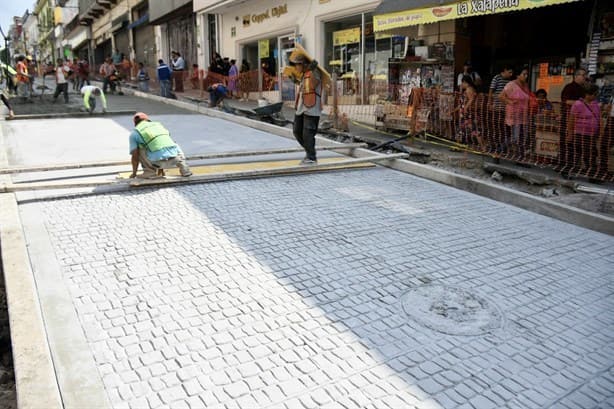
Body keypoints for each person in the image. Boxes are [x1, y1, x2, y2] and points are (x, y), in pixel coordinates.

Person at [129, 112, 192, 179]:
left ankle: (150, 173)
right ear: (148, 120)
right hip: (175, 159)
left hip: (156, 162)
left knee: (138, 149)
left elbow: (135, 157)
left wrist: (134, 174)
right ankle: (185, 169)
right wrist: (161, 169)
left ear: (135, 124)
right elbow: (162, 146)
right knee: (172, 143)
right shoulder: (158, 125)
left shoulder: (135, 133)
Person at [289, 49, 322, 165]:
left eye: (298, 64)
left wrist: (312, 71)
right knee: (297, 131)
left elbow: (314, 84)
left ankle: (311, 157)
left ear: (303, 65)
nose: (296, 67)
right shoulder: (304, 75)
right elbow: (305, 86)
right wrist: (296, 82)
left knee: (308, 134)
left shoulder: (314, 72)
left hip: (311, 109)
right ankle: (310, 151)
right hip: (302, 108)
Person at [567, 84, 601, 180]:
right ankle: (568, 171)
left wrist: (598, 131)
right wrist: (570, 134)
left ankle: (593, 175)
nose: (595, 96)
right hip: (579, 133)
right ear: (587, 94)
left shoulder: (596, 105)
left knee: (591, 154)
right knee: (576, 154)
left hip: (591, 135)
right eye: (594, 94)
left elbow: (598, 118)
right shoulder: (577, 104)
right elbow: (571, 120)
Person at [559, 68, 588, 177]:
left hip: (579, 122)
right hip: (568, 120)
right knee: (567, 145)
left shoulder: (584, 89)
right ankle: (564, 169)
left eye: (585, 75)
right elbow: (566, 101)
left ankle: (571, 167)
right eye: (583, 75)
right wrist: (582, 102)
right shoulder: (569, 87)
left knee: (576, 146)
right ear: (576, 76)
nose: (585, 77)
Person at [500, 67, 533, 161]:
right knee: (516, 137)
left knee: (523, 137)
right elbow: (501, 96)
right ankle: (501, 148)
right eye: (524, 74)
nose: (526, 76)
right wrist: (510, 102)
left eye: (527, 74)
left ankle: (520, 158)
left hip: (524, 115)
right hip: (514, 115)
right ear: (518, 75)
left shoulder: (526, 85)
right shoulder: (511, 85)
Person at [456, 75, 483, 148]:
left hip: (468, 114)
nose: (461, 84)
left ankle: (483, 147)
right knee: (462, 129)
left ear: (465, 82)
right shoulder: (469, 89)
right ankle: (457, 145)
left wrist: (465, 108)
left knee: (475, 130)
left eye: (462, 83)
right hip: (467, 114)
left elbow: (471, 99)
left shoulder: (469, 90)